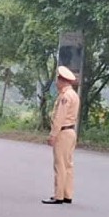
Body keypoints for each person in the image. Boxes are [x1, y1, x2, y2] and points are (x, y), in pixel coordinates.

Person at [42, 66, 80, 205]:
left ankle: (58, 195)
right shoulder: (74, 95)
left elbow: (59, 117)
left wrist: (53, 134)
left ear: (62, 80)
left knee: (60, 165)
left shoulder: (65, 97)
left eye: (58, 80)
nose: (57, 82)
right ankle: (67, 194)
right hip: (71, 132)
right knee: (68, 164)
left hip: (63, 132)